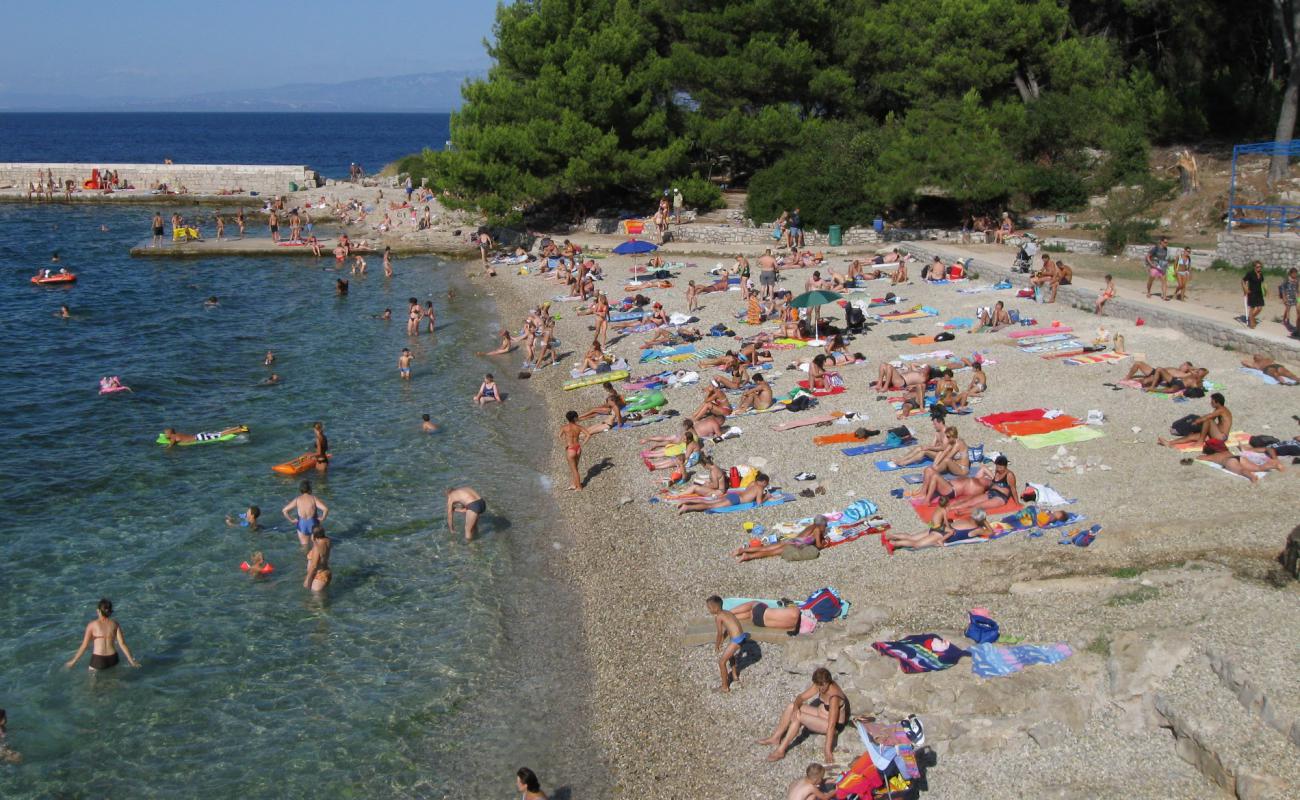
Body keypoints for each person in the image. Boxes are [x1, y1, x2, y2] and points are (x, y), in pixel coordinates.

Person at [759, 667, 847, 763]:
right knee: (791, 706)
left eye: (823, 685)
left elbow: (831, 725)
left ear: (828, 682)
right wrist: (795, 708)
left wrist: (827, 751)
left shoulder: (834, 697)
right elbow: (800, 697)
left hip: (833, 726)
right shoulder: (819, 683)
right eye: (818, 685)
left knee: (798, 717)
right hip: (822, 714)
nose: (821, 688)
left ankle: (781, 750)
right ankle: (775, 738)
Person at [64, 598, 140, 671]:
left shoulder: (92, 625)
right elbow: (122, 644)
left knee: (92, 683)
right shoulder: (115, 624)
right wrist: (131, 661)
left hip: (98, 659)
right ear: (110, 611)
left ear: (98, 611)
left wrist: (73, 661)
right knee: (114, 682)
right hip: (113, 658)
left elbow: (84, 645)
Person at [732, 516, 829, 562]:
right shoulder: (817, 530)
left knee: (766, 548)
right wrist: (826, 543)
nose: (826, 527)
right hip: (794, 544)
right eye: (825, 525)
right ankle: (747, 557)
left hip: (791, 540)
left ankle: (742, 550)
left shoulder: (811, 526)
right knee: (770, 552)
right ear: (822, 525)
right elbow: (819, 545)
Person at [1158, 392, 1233, 450]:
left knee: (1207, 420)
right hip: (1216, 434)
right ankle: (1169, 443)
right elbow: (1211, 420)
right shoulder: (1218, 410)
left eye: (1212, 402)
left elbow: (1208, 417)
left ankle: (1200, 441)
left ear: (1217, 402)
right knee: (1191, 436)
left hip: (1221, 437)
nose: (1211, 403)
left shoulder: (1221, 410)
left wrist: (1197, 422)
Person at [706, 595, 747, 692]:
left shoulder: (718, 617)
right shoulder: (728, 612)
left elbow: (719, 633)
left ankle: (724, 687)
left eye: (709, 608)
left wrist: (717, 644)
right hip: (742, 637)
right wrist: (723, 640)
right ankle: (734, 675)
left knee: (721, 662)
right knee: (730, 654)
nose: (709, 610)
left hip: (736, 640)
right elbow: (727, 630)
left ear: (715, 608)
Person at [677, 473, 769, 514]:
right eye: (766, 484)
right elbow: (759, 504)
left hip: (734, 495)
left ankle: (687, 501)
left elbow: (748, 493)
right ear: (764, 482)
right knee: (710, 506)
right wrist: (767, 497)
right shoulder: (760, 488)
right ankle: (687, 507)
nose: (766, 485)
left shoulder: (753, 483)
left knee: (709, 502)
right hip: (736, 499)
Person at [283, 480, 329, 547]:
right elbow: (325, 509)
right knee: (316, 545)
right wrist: (322, 518)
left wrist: (292, 520)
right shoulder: (313, 498)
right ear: (310, 489)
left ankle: (304, 557)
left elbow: (284, 510)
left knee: (304, 546)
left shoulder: (297, 499)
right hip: (313, 523)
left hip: (302, 524)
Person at [560, 410, 593, 490]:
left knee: (574, 469)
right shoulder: (579, 427)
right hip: (578, 448)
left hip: (570, 449)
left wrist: (565, 444)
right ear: (575, 418)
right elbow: (588, 435)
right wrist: (582, 444)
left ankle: (579, 487)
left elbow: (559, 436)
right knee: (575, 467)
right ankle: (574, 484)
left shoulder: (564, 427)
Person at [158, 424, 245, 446]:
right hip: (199, 436)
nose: (165, 435)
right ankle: (238, 427)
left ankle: (240, 429)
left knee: (221, 435)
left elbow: (170, 446)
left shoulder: (173, 437)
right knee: (220, 433)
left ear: (170, 433)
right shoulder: (177, 434)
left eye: (166, 433)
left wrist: (167, 450)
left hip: (199, 438)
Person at [1243, 260, 1266, 329]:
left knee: (1260, 308)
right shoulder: (1250, 273)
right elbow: (1243, 280)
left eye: (1260, 267)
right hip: (1252, 293)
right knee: (1252, 308)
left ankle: (1251, 317)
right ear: (1254, 267)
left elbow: (1262, 283)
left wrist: (1265, 290)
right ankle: (1251, 322)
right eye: (1257, 267)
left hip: (1259, 293)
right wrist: (1245, 289)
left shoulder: (1261, 274)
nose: (1259, 268)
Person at [1145, 236, 1170, 300]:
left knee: (1164, 281)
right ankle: (1148, 292)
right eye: (1165, 242)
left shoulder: (1165, 249)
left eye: (1167, 242)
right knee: (1151, 280)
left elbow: (1164, 258)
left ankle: (1164, 296)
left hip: (1162, 267)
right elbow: (1148, 256)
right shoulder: (1155, 248)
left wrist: (1166, 264)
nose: (1166, 244)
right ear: (1161, 242)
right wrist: (1151, 264)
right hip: (1154, 266)